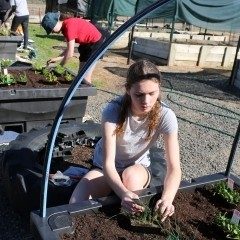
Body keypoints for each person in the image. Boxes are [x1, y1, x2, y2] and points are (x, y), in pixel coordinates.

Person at [70, 59, 181, 221]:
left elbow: (174, 167)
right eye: (139, 95)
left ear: (159, 89)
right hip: (105, 167)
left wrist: (167, 199)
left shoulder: (165, 116)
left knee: (131, 180)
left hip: (136, 167)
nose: (146, 101)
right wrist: (123, 193)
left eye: (152, 94)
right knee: (76, 203)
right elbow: (108, 164)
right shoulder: (112, 111)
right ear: (128, 90)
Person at [41, 12, 108, 85]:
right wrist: (56, 59)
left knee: (85, 76)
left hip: (96, 44)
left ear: (57, 21)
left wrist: (60, 67)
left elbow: (70, 54)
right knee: (81, 74)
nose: (52, 32)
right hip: (86, 45)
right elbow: (68, 49)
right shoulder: (65, 28)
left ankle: (84, 94)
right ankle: (79, 92)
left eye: (51, 29)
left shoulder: (69, 26)